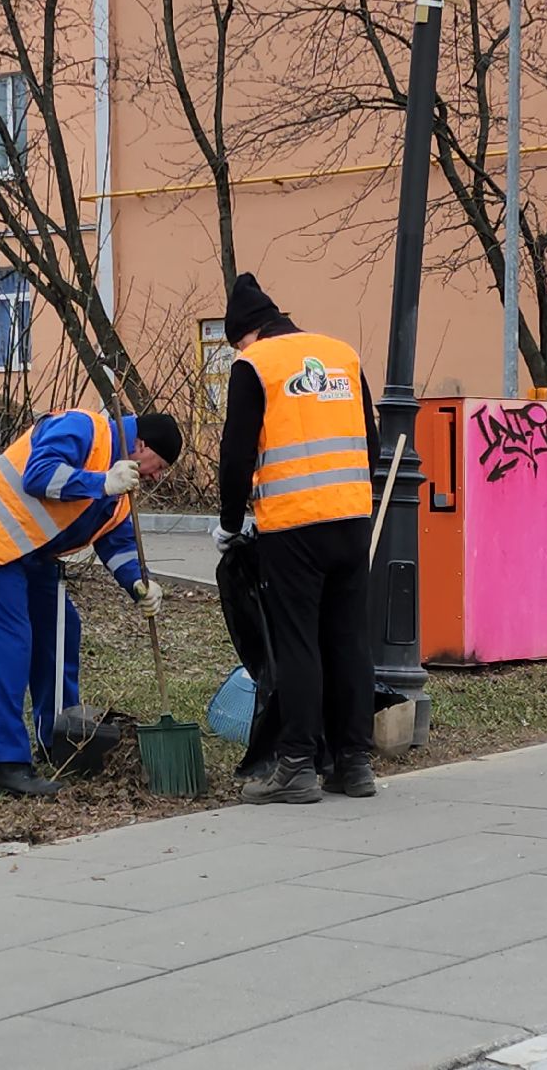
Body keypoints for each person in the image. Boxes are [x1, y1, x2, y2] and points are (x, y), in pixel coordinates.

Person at [0, 407, 182, 797]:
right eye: (159, 466)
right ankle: (5, 763)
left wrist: (139, 583)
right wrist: (101, 481)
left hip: (32, 553)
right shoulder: (81, 427)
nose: (157, 477)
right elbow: (38, 475)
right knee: (9, 644)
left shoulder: (120, 489)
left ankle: (60, 741)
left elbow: (116, 541)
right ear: (140, 445)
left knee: (61, 630)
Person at [214, 273, 382, 804]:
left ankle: (297, 765)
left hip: (292, 529)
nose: (238, 350)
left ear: (247, 333)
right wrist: (354, 500)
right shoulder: (341, 354)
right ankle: (354, 764)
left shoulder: (254, 365)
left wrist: (228, 522)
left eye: (236, 341)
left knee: (297, 642)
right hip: (353, 521)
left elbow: (236, 454)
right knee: (348, 639)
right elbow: (371, 443)